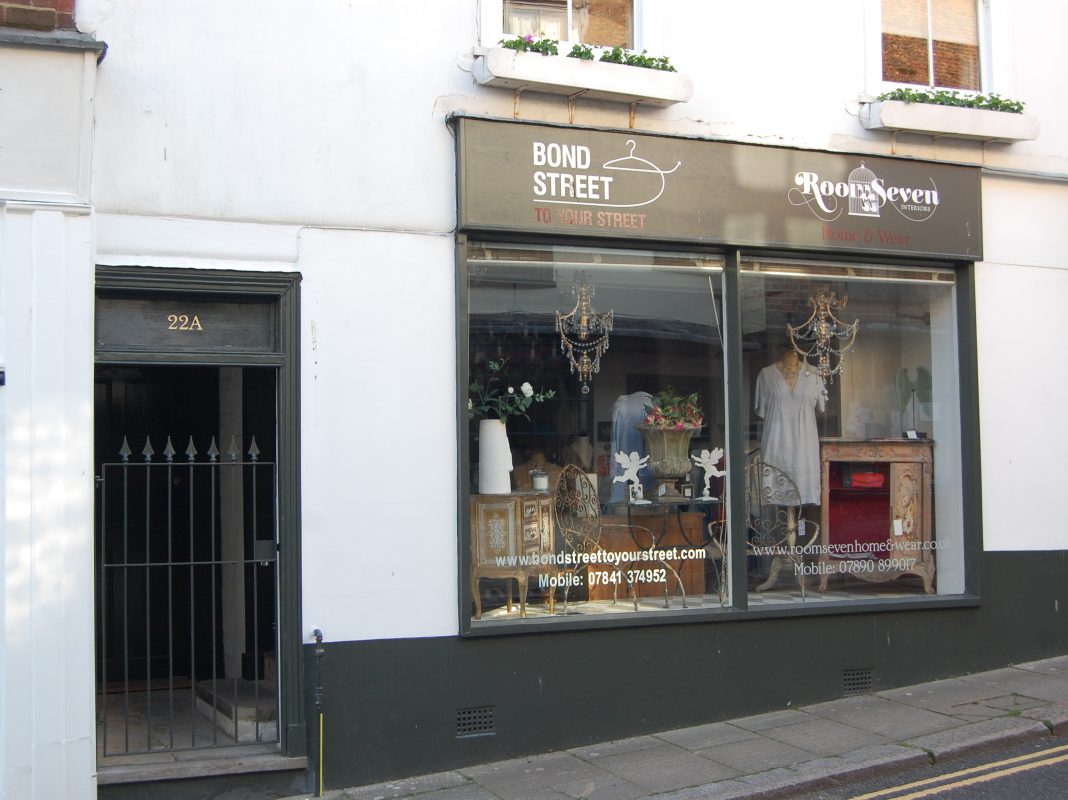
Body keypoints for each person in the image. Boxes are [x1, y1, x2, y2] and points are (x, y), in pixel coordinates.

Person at [754, 348, 826, 505]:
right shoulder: (766, 375)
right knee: (775, 487)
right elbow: (761, 411)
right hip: (776, 447)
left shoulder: (814, 374)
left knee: (803, 490)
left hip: (804, 451)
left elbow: (821, 406)